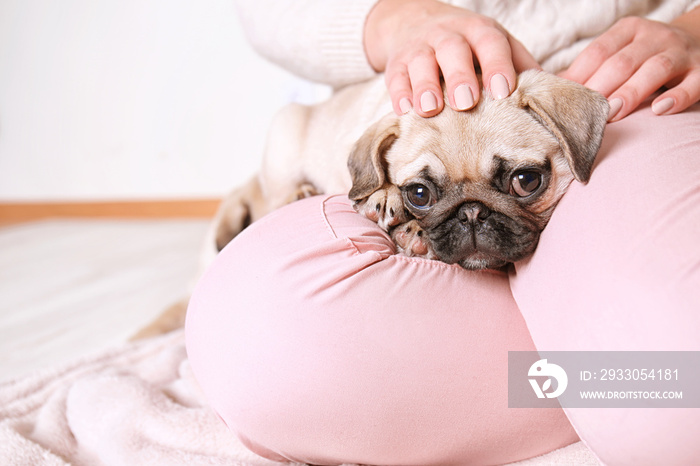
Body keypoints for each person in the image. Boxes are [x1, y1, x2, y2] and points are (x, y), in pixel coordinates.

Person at [186, 1, 700, 465]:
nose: (474, 220)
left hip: (627, 90)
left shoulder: (566, 124)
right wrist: (391, 21)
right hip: (399, 89)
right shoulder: (396, 137)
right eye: (423, 194)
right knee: (255, 340)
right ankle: (597, 377)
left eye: (522, 181)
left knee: (673, 396)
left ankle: (608, 381)